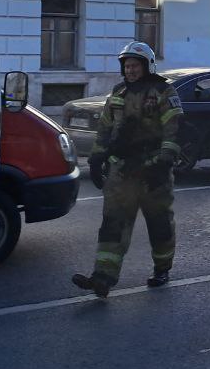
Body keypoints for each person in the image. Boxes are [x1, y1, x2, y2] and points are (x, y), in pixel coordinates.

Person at [72, 42, 183, 299]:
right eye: (127, 66)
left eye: (135, 65)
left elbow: (174, 130)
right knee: (113, 224)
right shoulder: (119, 92)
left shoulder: (163, 91)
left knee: (159, 224)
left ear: (147, 66)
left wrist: (164, 162)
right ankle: (103, 278)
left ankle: (162, 269)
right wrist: (97, 157)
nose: (130, 70)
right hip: (121, 171)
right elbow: (105, 128)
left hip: (153, 170)